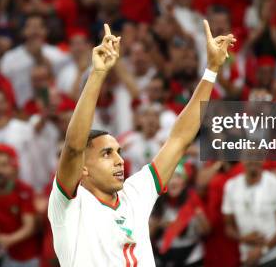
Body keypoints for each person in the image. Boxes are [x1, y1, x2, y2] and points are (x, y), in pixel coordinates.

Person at [48, 22, 234, 265]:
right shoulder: (69, 208)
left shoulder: (135, 194)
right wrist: (98, 74)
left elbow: (178, 140)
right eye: (106, 154)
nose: (119, 160)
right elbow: (73, 147)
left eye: (118, 152)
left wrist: (211, 70)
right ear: (82, 168)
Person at [222, 160, 276, 266]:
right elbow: (228, 227)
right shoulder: (231, 186)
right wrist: (243, 238)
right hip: (247, 256)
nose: (253, 160)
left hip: (275, 256)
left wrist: (263, 250)